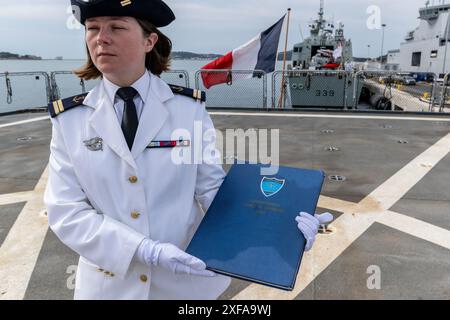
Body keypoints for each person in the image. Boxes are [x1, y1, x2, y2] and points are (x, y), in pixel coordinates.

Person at [44, 0, 333, 300]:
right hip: (109, 288)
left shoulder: (187, 109)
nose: (101, 37)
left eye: (116, 27)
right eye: (92, 28)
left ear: (149, 40)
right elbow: (67, 211)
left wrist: (281, 230)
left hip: (183, 284)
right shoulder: (69, 120)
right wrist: (144, 251)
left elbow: (212, 191)